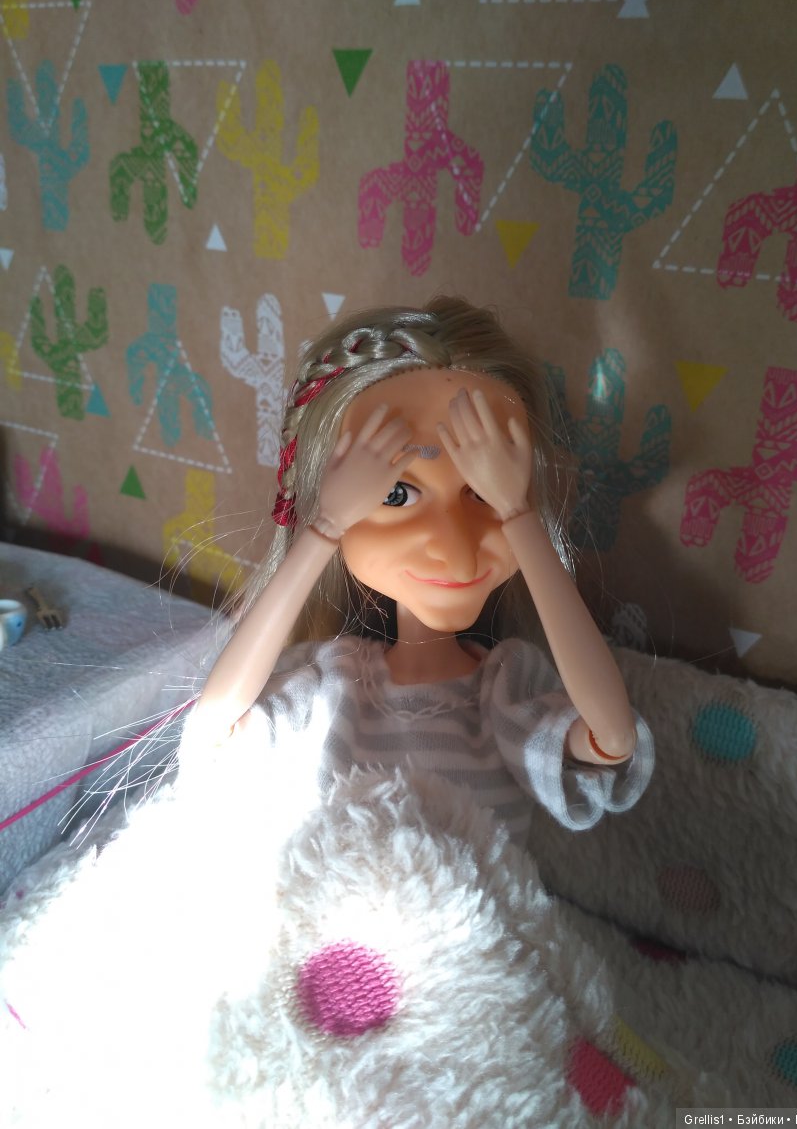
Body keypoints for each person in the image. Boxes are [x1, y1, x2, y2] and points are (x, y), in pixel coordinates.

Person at [184, 295, 653, 846]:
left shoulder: (504, 696)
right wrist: (325, 524)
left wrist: (520, 515)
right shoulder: (334, 689)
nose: (456, 552)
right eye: (396, 494)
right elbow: (212, 733)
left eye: (482, 494)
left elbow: (611, 739)